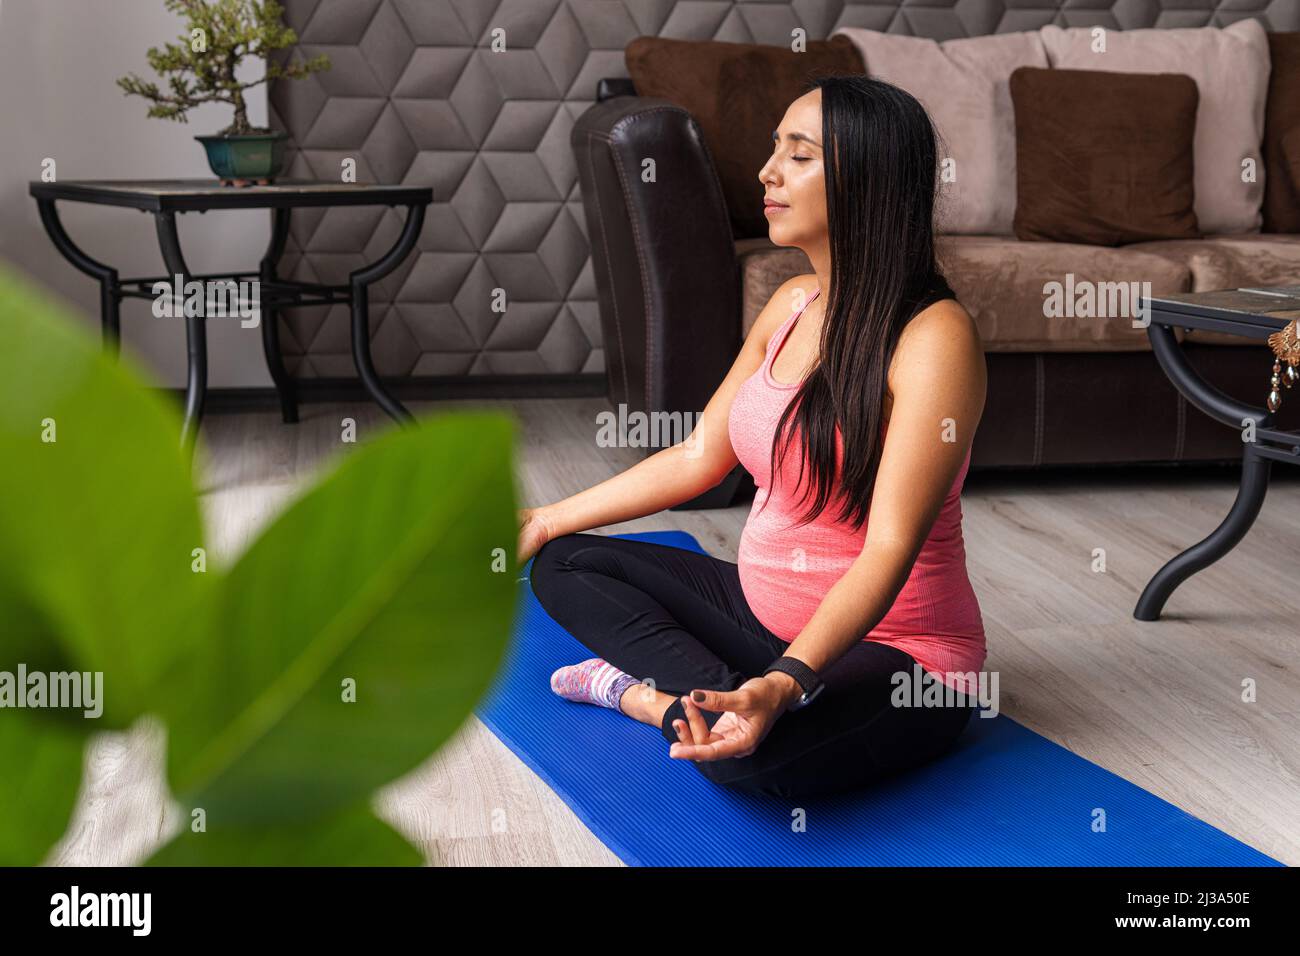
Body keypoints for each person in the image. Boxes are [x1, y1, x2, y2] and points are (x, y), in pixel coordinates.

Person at [516, 75, 988, 800]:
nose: (767, 173)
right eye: (775, 150)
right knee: (565, 562)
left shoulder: (933, 338)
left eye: (799, 156)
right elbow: (703, 454)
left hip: (903, 657)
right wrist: (544, 517)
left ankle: (646, 698)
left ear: (868, 179)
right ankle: (717, 700)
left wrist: (785, 683)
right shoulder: (793, 301)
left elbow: (890, 547)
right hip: (761, 616)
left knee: (744, 763)